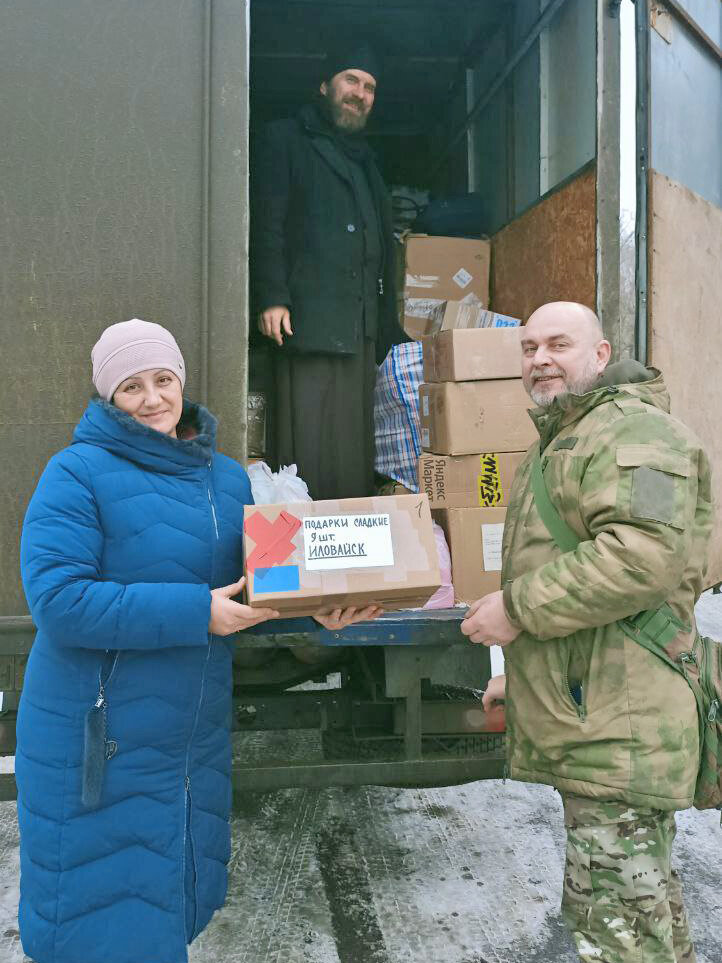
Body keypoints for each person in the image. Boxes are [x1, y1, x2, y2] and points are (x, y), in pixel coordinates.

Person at [16, 318, 381, 963]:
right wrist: (194, 614)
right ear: (107, 397)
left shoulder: (227, 481)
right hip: (100, 740)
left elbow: (250, 590)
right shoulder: (75, 474)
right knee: (99, 922)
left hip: (186, 739)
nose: (153, 398)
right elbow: (59, 602)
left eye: (164, 379)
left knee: (165, 908)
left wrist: (315, 611)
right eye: (132, 386)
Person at [462, 301, 712, 963]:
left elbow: (639, 560)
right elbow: (570, 573)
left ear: (601, 355)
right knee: (615, 914)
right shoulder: (567, 437)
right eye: (529, 347)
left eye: (559, 344)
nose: (540, 358)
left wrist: (513, 609)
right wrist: (518, 679)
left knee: (629, 927)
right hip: (594, 708)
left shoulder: (635, 434)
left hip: (621, 720)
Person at [252, 43, 405, 501]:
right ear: (325, 86)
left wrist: (384, 324)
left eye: (370, 86)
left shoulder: (367, 161)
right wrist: (271, 295)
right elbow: (267, 220)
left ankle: (349, 552)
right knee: (310, 441)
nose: (360, 93)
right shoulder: (286, 139)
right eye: (351, 81)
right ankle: (304, 546)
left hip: (358, 327)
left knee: (352, 444)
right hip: (305, 321)